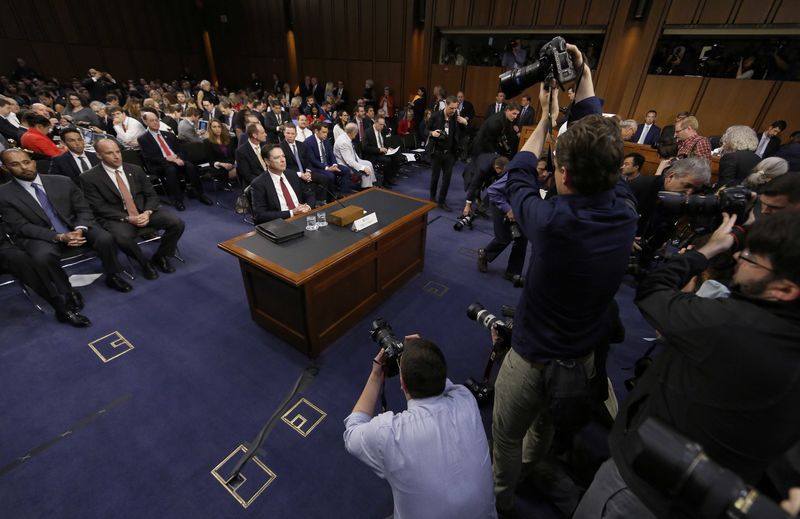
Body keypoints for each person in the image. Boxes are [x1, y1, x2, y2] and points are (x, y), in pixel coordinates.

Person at [573, 209, 800, 519]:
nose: (738, 259)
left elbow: (653, 290)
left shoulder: (727, 326)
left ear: (785, 289)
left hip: (641, 487)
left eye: (750, 260)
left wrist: (710, 248)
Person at [492, 44, 639, 516]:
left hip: (533, 355)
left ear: (563, 175)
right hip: (582, 359)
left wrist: (543, 120)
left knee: (506, 434)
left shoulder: (553, 222)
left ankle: (501, 498)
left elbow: (517, 171)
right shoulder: (625, 208)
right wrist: (585, 76)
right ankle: (537, 464)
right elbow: (597, 134)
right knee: (546, 428)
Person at [344, 337, 496, 519]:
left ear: (402, 383)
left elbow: (352, 428)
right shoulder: (465, 398)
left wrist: (376, 376)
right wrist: (423, 352)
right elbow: (440, 380)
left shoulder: (388, 433)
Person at [0, 148, 132, 311]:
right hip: (42, 236)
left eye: (26, 162)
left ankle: (113, 275)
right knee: (42, 257)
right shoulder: (3, 194)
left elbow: (83, 209)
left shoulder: (62, 181)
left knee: (105, 238)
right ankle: (68, 292)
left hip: (74, 227)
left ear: (33, 162)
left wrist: (79, 228)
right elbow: (20, 226)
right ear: (5, 168)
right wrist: (59, 237)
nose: (24, 167)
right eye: (15, 164)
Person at [80, 139, 185, 280]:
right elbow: (98, 207)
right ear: (99, 155)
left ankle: (160, 256)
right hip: (118, 217)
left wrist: (147, 212)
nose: (116, 156)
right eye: (110, 153)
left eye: (117, 151)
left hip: (143, 211)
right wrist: (127, 218)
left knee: (177, 223)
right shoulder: (89, 177)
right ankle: (144, 263)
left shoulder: (135, 169)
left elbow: (151, 195)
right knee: (122, 238)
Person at [138, 111, 211, 210]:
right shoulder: (143, 139)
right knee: (171, 170)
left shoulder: (169, 134)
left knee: (190, 166)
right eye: (151, 121)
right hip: (161, 164)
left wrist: (176, 158)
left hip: (176, 160)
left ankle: (200, 194)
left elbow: (181, 151)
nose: (155, 122)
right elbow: (149, 157)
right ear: (145, 122)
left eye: (156, 120)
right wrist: (168, 159)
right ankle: (178, 199)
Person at [475, 156, 527, 285]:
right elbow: (492, 191)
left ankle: (512, 272)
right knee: (503, 238)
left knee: (521, 239)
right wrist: (508, 209)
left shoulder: (543, 178)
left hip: (517, 207)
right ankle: (484, 255)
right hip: (500, 203)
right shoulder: (515, 174)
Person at [249, 144, 312, 224]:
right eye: (277, 158)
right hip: (280, 223)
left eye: (283, 156)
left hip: (302, 217)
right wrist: (292, 212)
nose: (283, 160)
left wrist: (307, 206)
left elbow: (309, 194)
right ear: (267, 161)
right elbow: (260, 215)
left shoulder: (292, 174)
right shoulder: (259, 184)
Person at [426, 96, 468, 210]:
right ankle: (432, 198)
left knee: (447, 179)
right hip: (437, 152)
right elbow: (424, 130)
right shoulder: (435, 116)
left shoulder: (456, 117)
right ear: (446, 105)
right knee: (435, 177)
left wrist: (465, 123)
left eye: (455, 108)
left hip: (450, 154)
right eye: (451, 108)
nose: (453, 111)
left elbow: (463, 133)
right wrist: (431, 133)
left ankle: (442, 201)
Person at [306, 122, 352, 196]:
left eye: (327, 132)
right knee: (330, 175)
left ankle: (344, 193)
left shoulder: (326, 140)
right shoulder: (308, 142)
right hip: (316, 167)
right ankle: (332, 197)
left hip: (329, 164)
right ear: (316, 131)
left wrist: (334, 164)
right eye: (323, 132)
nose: (326, 135)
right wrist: (327, 168)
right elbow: (313, 160)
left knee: (346, 170)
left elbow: (331, 154)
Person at [333, 123, 377, 189]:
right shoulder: (343, 142)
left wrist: (359, 163)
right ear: (353, 132)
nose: (356, 135)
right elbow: (348, 161)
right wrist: (362, 167)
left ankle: (371, 183)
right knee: (366, 168)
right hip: (344, 164)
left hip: (352, 159)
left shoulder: (346, 136)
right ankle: (366, 188)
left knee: (369, 163)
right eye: (356, 133)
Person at [362, 116, 400, 189]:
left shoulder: (382, 130)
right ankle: (384, 182)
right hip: (373, 155)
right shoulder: (368, 132)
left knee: (396, 157)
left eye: (383, 124)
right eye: (381, 124)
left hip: (382, 152)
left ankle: (390, 178)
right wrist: (379, 150)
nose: (382, 126)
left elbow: (383, 142)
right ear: (375, 123)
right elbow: (365, 147)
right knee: (387, 160)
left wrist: (388, 148)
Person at [235, 123, 268, 187]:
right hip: (255, 184)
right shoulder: (241, 152)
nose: (266, 134)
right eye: (263, 133)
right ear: (254, 135)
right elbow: (247, 175)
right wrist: (265, 182)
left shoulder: (265, 146)